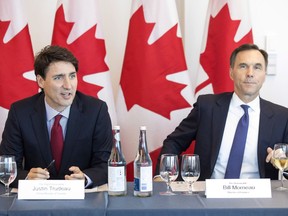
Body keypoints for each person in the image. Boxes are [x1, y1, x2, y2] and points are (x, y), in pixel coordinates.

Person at [155, 43, 288, 180]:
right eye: (243, 66)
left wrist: (284, 164)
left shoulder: (282, 117)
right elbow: (174, 142)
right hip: (208, 195)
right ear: (231, 72)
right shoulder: (206, 107)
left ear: (264, 75)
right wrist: (162, 175)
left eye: (257, 67)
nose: (250, 73)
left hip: (258, 198)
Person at [0, 45, 113, 188]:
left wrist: (85, 178)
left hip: (83, 202)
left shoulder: (96, 110)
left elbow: (106, 165)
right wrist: (27, 177)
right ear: (41, 81)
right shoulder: (20, 112)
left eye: (72, 76)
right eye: (58, 77)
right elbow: (6, 166)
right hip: (36, 202)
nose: (68, 85)